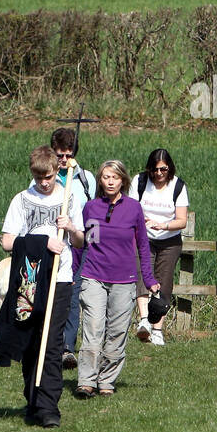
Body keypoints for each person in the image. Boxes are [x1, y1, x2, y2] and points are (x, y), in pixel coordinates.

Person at [0, 146, 87, 428]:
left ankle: (49, 407)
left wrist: (71, 227)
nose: (43, 183)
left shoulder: (68, 198)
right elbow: (8, 242)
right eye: (38, 178)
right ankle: (32, 401)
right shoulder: (22, 200)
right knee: (31, 341)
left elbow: (82, 242)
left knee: (51, 343)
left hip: (59, 280)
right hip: (30, 279)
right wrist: (41, 242)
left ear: (57, 171)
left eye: (47, 177)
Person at [76, 160, 158, 397]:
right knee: (93, 328)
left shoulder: (133, 208)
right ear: (100, 180)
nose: (110, 182)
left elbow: (143, 246)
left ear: (123, 180)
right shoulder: (91, 208)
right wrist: (73, 271)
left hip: (124, 279)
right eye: (105, 177)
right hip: (94, 276)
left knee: (117, 331)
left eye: (115, 177)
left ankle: (106, 381)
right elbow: (86, 243)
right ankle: (86, 381)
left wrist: (149, 279)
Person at [130, 149, 189, 347]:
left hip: (169, 239)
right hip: (143, 237)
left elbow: (182, 221)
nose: (159, 173)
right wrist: (141, 221)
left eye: (163, 169)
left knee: (164, 281)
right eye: (155, 169)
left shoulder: (178, 186)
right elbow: (130, 208)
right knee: (142, 275)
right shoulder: (139, 182)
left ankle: (157, 329)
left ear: (169, 168)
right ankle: (144, 320)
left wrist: (163, 225)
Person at [48, 128, 95, 370]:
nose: (64, 160)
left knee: (73, 295)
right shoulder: (46, 177)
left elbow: (95, 216)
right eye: (59, 155)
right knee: (51, 294)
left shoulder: (86, 179)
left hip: (79, 245)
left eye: (68, 155)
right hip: (53, 244)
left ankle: (67, 347)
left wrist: (92, 243)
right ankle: (46, 344)